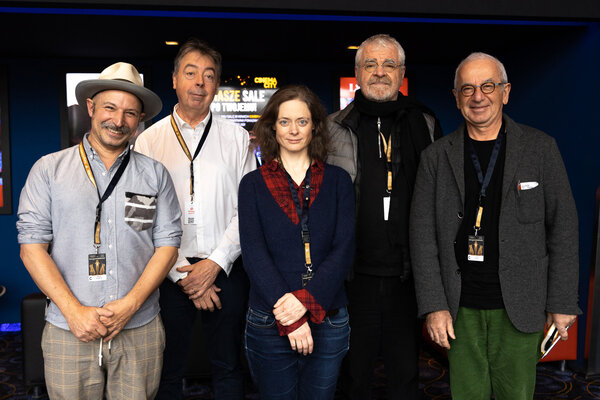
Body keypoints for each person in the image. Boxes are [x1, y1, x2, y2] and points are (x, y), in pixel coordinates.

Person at [410, 52, 581, 400]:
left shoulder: (540, 149)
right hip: (458, 309)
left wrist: (562, 301)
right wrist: (433, 305)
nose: (478, 96)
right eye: (468, 88)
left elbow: (563, 228)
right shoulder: (436, 157)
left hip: (521, 304)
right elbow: (422, 236)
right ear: (456, 97)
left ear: (505, 92)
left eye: (488, 86)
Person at [17, 62, 182, 399]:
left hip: (139, 327)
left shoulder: (155, 175)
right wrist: (74, 312)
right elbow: (31, 248)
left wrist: (131, 305)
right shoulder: (48, 170)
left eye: (130, 113)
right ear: (91, 107)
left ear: (139, 120)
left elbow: (167, 245)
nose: (118, 121)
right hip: (69, 328)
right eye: (110, 107)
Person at [135, 38, 255, 400]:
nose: (200, 82)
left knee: (229, 366)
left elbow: (247, 209)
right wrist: (182, 273)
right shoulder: (148, 142)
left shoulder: (237, 139)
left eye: (208, 75)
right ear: (174, 80)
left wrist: (214, 263)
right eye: (191, 73)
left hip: (227, 269)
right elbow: (141, 218)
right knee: (167, 369)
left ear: (217, 85)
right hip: (168, 272)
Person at [326, 34, 442, 399]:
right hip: (352, 273)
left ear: (402, 73)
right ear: (357, 73)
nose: (379, 72)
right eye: (371, 65)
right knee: (353, 373)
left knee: (406, 373)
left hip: (407, 275)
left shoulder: (425, 123)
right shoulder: (333, 128)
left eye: (388, 65)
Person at [238, 84, 355, 399]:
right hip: (269, 317)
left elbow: (343, 250)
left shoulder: (338, 181)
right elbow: (253, 254)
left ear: (315, 126)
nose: (293, 130)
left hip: (328, 318)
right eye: (284, 121)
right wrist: (290, 317)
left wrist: (304, 302)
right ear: (272, 127)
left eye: (302, 121)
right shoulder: (252, 184)